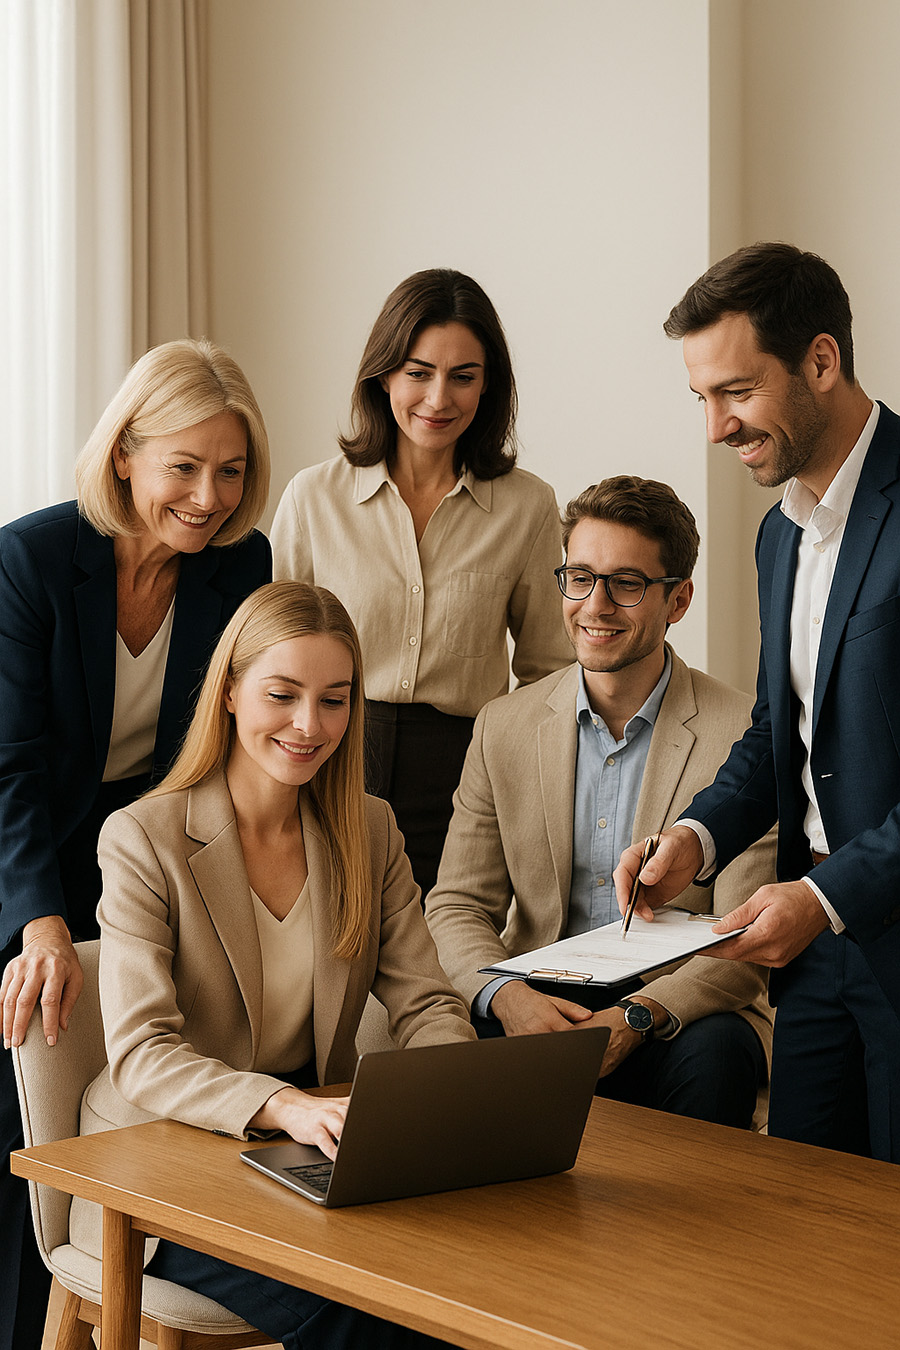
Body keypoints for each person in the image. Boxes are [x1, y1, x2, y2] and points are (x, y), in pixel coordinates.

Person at [74, 581, 474, 1349]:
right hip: (162, 1165)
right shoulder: (141, 838)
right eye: (282, 695)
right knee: (365, 1310)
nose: (308, 725)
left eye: (334, 699)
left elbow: (427, 1003)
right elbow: (141, 1053)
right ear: (228, 692)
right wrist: (286, 1106)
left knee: (466, 1278)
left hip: (308, 1156)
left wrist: (444, 1105)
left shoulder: (370, 828)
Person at [0, 337, 272, 1350]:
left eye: (231, 469)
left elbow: (213, 755)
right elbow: (10, 766)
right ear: (125, 455)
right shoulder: (30, 559)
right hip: (24, 857)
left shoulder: (242, 564)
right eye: (184, 467)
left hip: (144, 855)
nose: (209, 495)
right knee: (28, 1080)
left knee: (165, 1073)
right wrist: (38, 923)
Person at [615, 241, 900, 1161]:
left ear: (822, 361)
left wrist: (824, 895)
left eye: (735, 392)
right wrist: (691, 841)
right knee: (806, 1240)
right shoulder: (778, 538)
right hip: (812, 964)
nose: (716, 427)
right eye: (702, 398)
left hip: (873, 929)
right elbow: (779, 737)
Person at [426, 477, 775, 1127]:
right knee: (445, 1049)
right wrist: (508, 998)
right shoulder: (503, 725)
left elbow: (743, 938)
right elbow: (456, 905)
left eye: (627, 583)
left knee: (718, 1053)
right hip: (539, 994)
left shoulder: (743, 736)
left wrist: (635, 1017)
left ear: (678, 600)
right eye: (580, 576)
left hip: (678, 1005)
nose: (596, 605)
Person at [271, 268, 570, 900]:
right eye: (418, 372)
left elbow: (548, 671)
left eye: (463, 376)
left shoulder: (528, 506)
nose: (439, 399)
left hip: (466, 775)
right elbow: (268, 657)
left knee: (444, 957)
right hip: (332, 758)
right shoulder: (313, 498)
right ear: (381, 374)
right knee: (333, 952)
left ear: (489, 388)